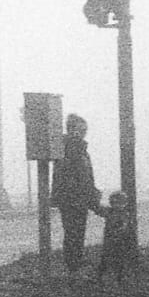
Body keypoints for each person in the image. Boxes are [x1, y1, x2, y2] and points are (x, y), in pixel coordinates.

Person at [50, 113, 102, 276]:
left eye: (85, 130)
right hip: (72, 199)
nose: (83, 133)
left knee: (77, 232)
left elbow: (86, 176)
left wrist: (92, 194)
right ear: (71, 130)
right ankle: (73, 265)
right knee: (73, 232)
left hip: (79, 198)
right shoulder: (71, 149)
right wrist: (87, 196)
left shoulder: (79, 149)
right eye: (80, 129)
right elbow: (73, 177)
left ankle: (75, 262)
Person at [95, 190, 137, 288]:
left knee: (120, 260)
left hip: (121, 241)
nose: (117, 205)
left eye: (120, 203)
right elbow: (98, 209)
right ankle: (100, 277)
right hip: (109, 241)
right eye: (114, 203)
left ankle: (119, 279)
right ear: (111, 203)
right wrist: (97, 198)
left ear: (125, 203)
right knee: (105, 260)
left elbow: (127, 227)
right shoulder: (109, 212)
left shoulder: (125, 214)